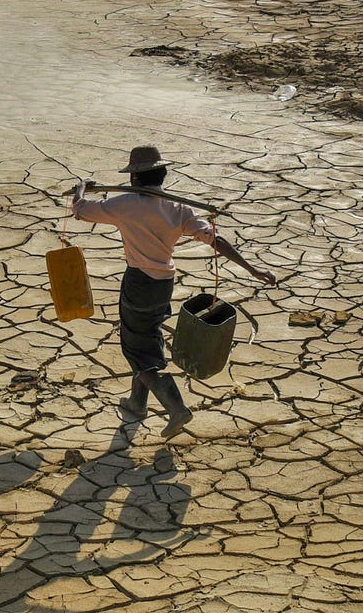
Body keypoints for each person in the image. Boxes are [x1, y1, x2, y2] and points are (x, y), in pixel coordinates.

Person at [72, 145, 276, 438]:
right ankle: (136, 403)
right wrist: (251, 268)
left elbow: (81, 211)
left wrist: (81, 188)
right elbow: (214, 239)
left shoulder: (125, 205)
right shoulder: (179, 208)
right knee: (147, 336)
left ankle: (176, 407)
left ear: (134, 179)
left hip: (139, 282)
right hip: (164, 284)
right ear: (162, 175)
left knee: (134, 345)